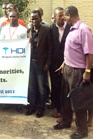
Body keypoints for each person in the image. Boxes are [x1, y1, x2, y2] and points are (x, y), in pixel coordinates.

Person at [53, 6, 93, 139]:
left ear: (70, 15)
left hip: (78, 71)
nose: (63, 18)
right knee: (65, 99)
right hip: (68, 69)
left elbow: (89, 53)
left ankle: (82, 131)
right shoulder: (71, 29)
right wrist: (64, 63)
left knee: (78, 102)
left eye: (65, 15)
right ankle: (66, 122)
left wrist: (87, 71)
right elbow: (71, 50)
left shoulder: (84, 29)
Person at [25, 10, 52, 118]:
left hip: (41, 64)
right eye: (32, 18)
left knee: (42, 88)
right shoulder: (28, 31)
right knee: (31, 87)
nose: (34, 20)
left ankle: (41, 109)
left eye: (36, 18)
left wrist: (48, 63)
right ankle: (32, 107)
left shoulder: (46, 30)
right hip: (31, 64)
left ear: (40, 18)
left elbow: (50, 49)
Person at [49, 7, 71, 122]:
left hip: (68, 64)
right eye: (60, 16)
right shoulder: (50, 28)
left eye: (63, 15)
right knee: (56, 88)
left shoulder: (70, 28)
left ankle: (66, 113)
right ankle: (59, 110)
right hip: (54, 65)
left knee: (66, 89)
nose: (62, 18)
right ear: (55, 17)